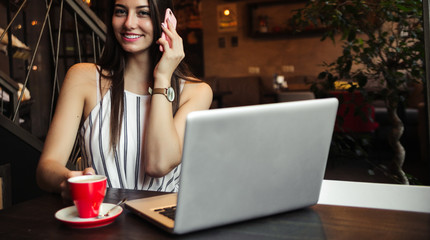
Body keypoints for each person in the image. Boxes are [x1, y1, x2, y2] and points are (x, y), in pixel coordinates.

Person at [36, 0, 213, 199]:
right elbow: (45, 170)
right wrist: (68, 179)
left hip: (165, 224)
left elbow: (158, 164)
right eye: (120, 11)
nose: (128, 23)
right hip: (101, 219)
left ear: (167, 21)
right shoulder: (82, 78)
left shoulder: (196, 92)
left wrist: (162, 78)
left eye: (143, 13)